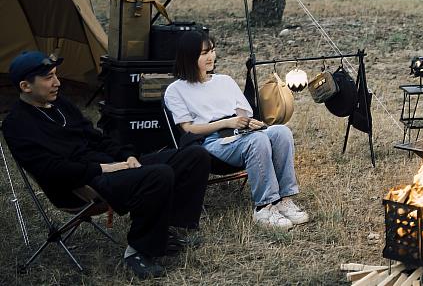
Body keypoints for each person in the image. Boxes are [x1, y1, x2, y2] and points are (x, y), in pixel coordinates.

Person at [3, 51, 211, 279]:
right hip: (80, 184)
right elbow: (51, 171)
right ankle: (138, 251)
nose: (57, 82)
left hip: (109, 166)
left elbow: (96, 137)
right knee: (159, 175)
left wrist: (127, 155)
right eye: (48, 77)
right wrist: (105, 168)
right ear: (25, 86)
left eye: (56, 75)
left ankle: (167, 231)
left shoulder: (60, 104)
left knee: (194, 156)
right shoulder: (17, 125)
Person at [164, 31, 308, 231]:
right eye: (204, 53)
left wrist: (248, 123)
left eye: (212, 51)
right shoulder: (176, 90)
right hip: (211, 142)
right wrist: (227, 123)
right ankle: (264, 207)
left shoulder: (224, 81)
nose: (210, 57)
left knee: (281, 132)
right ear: (189, 57)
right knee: (257, 141)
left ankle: (283, 200)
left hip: (241, 132)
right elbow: (188, 129)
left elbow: (243, 112)